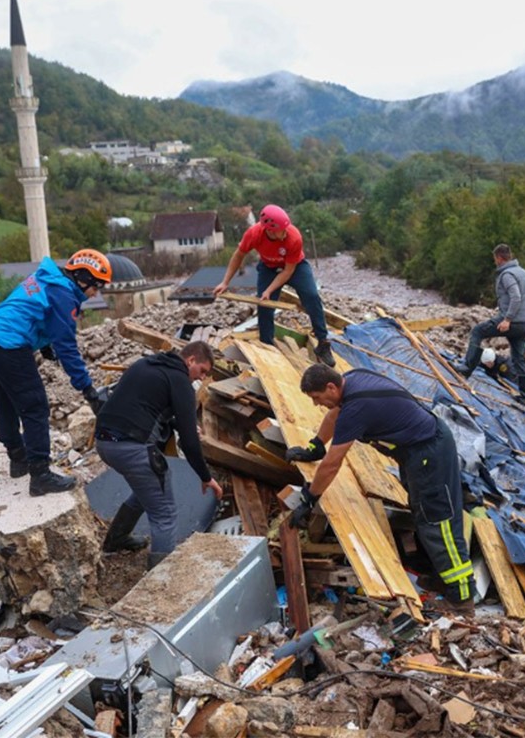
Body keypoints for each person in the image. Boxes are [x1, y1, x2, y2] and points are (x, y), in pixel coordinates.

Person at [286, 365, 476, 614]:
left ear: (331, 387)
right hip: (418, 450)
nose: (316, 404)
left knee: (438, 520)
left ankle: (462, 599)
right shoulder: (351, 380)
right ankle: (441, 577)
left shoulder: (357, 407)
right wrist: (316, 446)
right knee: (423, 513)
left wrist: (309, 499)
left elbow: (333, 463)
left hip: (430, 451)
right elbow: (335, 414)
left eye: (316, 398)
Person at [0, 249, 110, 496]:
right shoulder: (64, 296)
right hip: (9, 344)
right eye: (96, 286)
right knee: (35, 406)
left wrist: (45, 344)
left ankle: (18, 459)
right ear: (83, 277)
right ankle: (40, 475)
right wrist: (88, 390)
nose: (96, 293)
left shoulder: (49, 279)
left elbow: (34, 312)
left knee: (4, 399)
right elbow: (67, 346)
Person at [95, 341, 224, 568]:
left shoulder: (144, 364)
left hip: (104, 443)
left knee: (149, 487)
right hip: (132, 448)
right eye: (202, 371)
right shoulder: (180, 381)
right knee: (164, 514)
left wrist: (177, 421)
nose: (201, 378)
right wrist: (205, 477)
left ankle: (116, 540)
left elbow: (141, 406)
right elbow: (190, 442)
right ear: (190, 360)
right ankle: (160, 578)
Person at [213, 204, 334, 367]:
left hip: (295, 267)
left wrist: (269, 290)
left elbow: (287, 271)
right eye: (280, 231)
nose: (284, 233)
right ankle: (267, 345)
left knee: (311, 296)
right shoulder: (254, 234)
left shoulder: (294, 236)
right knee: (264, 306)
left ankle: (323, 342)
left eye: (285, 229)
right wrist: (225, 282)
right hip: (268, 267)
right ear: (269, 229)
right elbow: (238, 256)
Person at [456, 244, 525, 399]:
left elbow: (516, 297)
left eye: (495, 259)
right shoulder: (524, 273)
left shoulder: (507, 274)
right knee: (519, 358)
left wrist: (507, 319)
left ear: (498, 258)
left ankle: (467, 367)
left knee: (478, 331)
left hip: (512, 320)